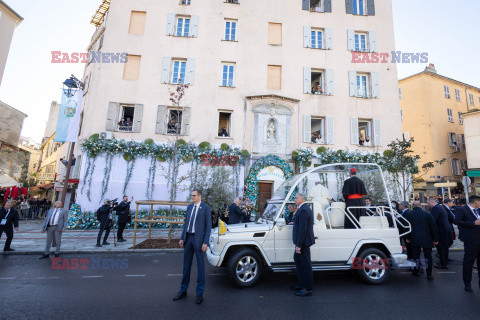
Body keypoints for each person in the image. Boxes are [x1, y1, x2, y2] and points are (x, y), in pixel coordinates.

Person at [174, 189, 212, 305]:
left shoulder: (205, 208)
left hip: (199, 240)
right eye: (191, 195)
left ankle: (199, 293)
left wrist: (205, 242)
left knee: (200, 267)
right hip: (188, 239)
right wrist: (182, 238)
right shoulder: (190, 207)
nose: (192, 197)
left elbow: (208, 226)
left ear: (199, 196)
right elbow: (186, 224)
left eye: (194, 195)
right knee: (186, 266)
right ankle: (183, 290)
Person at [404, 201, 438, 280]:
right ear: (420, 206)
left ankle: (416, 271)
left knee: (416, 256)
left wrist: (408, 238)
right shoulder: (428, 214)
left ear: (412, 206)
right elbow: (434, 228)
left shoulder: (409, 214)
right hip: (427, 238)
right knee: (428, 257)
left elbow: (408, 228)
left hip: (414, 238)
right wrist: (435, 239)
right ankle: (429, 274)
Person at [453, 195, 480, 293]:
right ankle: (467, 284)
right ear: (476, 202)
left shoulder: (478, 210)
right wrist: (473, 223)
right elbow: (456, 221)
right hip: (470, 241)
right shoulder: (463, 209)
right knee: (468, 263)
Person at [291, 193, 315, 297]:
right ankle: (301, 284)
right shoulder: (302, 208)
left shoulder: (304, 210)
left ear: (302, 198)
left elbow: (303, 229)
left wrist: (299, 245)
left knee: (306, 265)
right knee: (298, 261)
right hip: (301, 242)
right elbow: (300, 224)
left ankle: (308, 289)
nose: (294, 200)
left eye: (296, 198)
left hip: (303, 243)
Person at [427, 198, 451, 269]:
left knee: (441, 248)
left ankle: (443, 263)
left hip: (441, 230)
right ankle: (444, 261)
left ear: (432, 203)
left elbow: (433, 219)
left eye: (428, 204)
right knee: (445, 247)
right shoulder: (440, 207)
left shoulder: (435, 209)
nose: (428, 205)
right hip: (445, 229)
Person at [442, 198, 456, 262]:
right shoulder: (444, 208)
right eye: (452, 202)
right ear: (448, 202)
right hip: (445, 228)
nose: (453, 204)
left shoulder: (447, 208)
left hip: (449, 227)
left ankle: (445, 256)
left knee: (450, 242)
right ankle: (443, 256)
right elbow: (450, 217)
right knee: (447, 243)